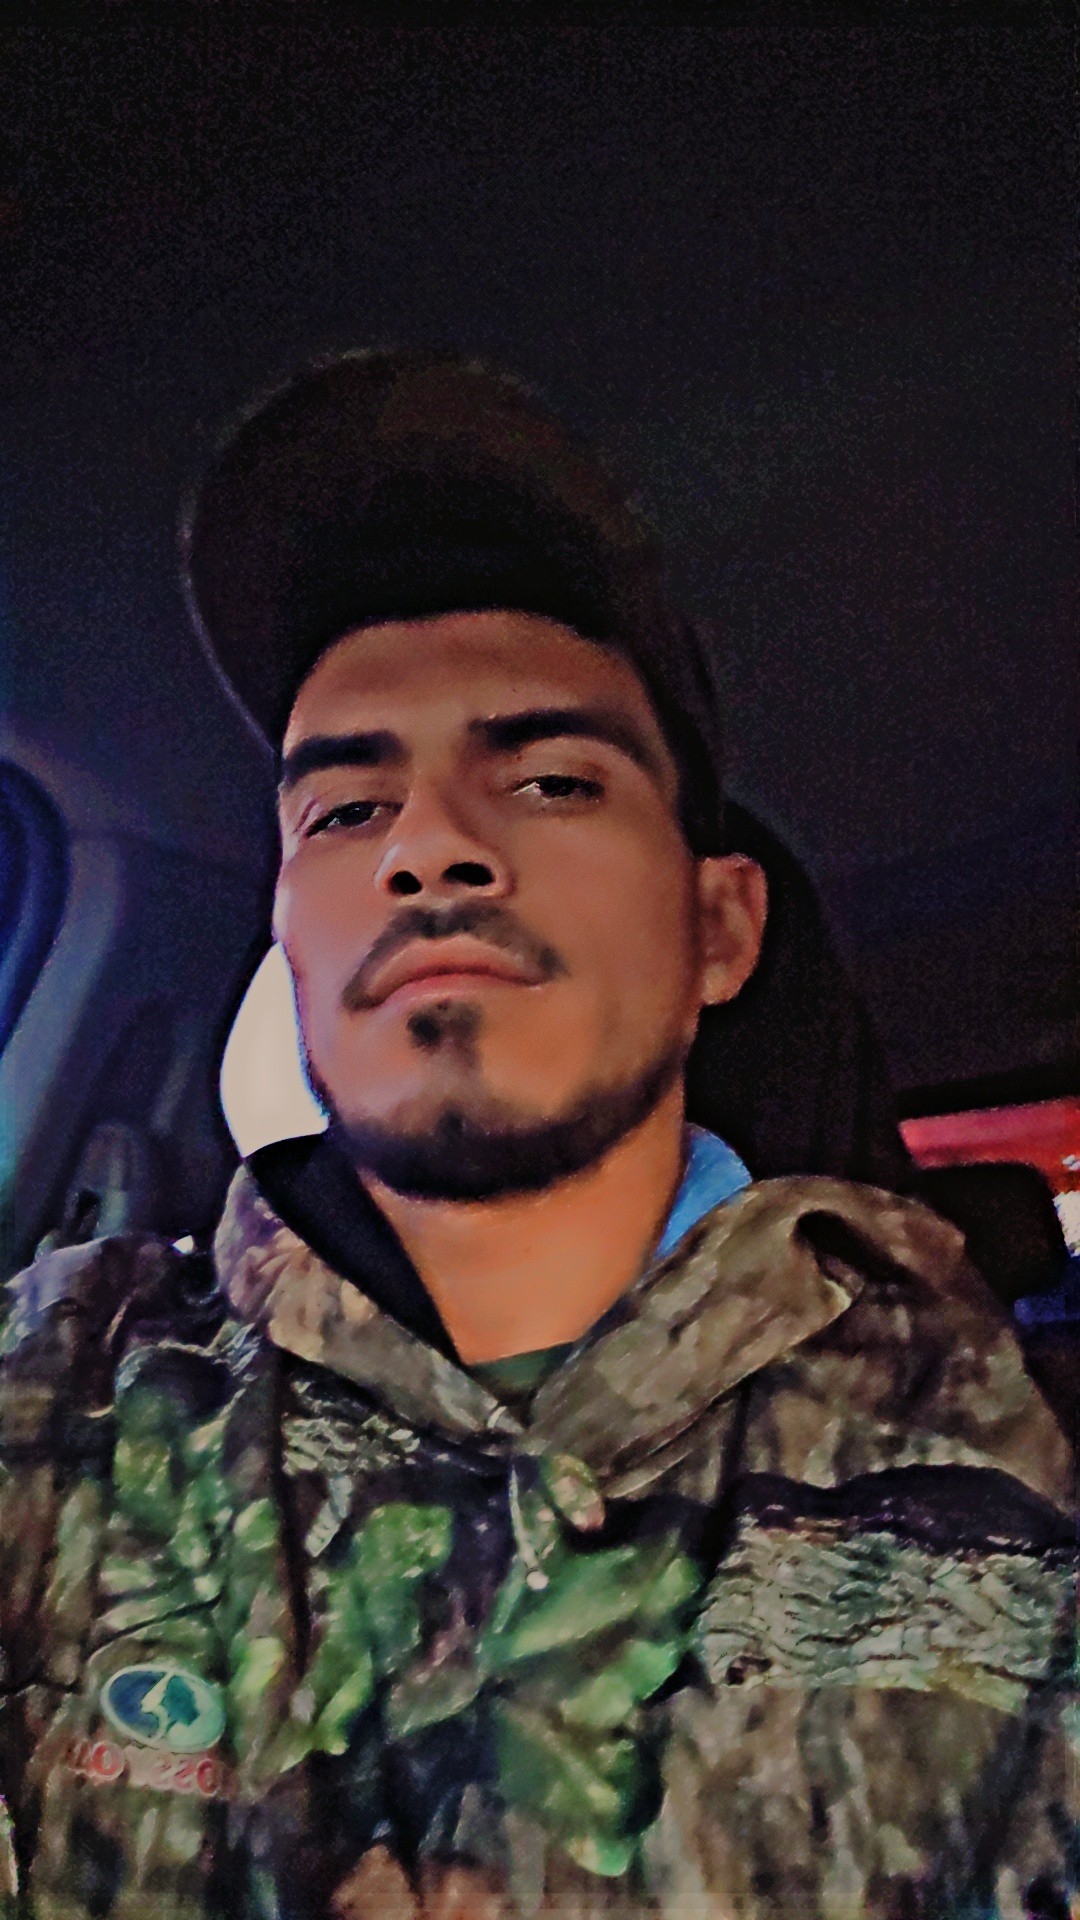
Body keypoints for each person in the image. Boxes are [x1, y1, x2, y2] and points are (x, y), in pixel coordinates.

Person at [0, 350, 1073, 1920]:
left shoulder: (1012, 1470)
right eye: (345, 810)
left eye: (554, 779)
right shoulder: (61, 1390)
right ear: (289, 936)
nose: (430, 845)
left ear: (720, 930)